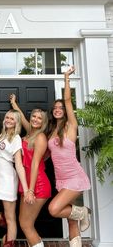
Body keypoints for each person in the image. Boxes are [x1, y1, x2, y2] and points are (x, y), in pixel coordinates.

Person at [47, 66, 91, 247]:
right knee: (70, 220)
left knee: (54, 209)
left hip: (74, 177)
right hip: (61, 180)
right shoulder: (51, 131)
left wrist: (66, 77)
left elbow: (67, 100)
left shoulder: (70, 126)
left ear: (64, 111)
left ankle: (84, 212)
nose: (58, 109)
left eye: (60, 108)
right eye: (55, 108)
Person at [0, 109, 29, 247]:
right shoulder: (2, 135)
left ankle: (9, 243)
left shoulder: (16, 138)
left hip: (8, 180)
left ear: (16, 122)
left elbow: (19, 165)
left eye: (12, 119)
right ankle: (3, 220)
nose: (8, 120)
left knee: (11, 218)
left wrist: (25, 189)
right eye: (7, 117)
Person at [9, 94, 51, 247]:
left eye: (39, 118)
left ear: (44, 122)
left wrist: (31, 190)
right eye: (34, 116)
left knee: (26, 225)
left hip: (37, 185)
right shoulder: (30, 133)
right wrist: (14, 104)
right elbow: (22, 117)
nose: (35, 120)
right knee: (25, 223)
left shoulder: (40, 137)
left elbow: (34, 164)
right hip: (26, 184)